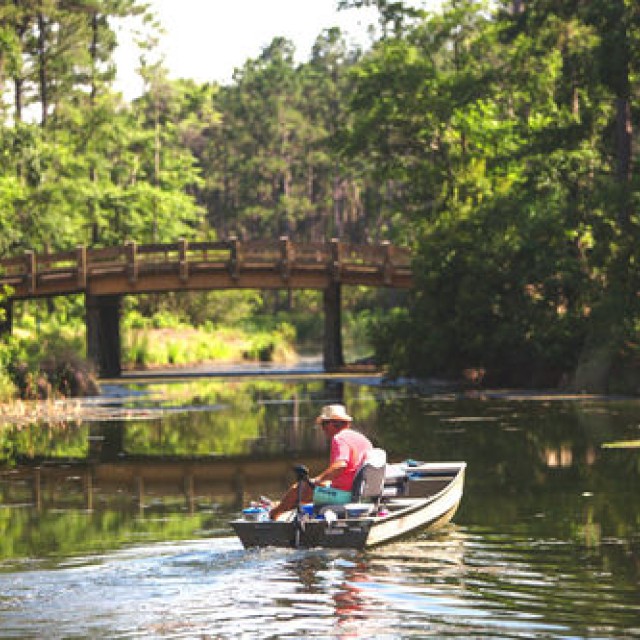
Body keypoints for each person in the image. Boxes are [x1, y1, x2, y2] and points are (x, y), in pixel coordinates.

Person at [269, 404, 373, 521]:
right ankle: (283, 507)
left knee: (299, 489)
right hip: (358, 492)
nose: (323, 429)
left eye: (323, 424)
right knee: (317, 487)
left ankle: (273, 516)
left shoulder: (339, 438)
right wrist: (320, 482)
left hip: (346, 495)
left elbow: (341, 466)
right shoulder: (362, 439)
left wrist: (317, 480)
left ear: (332, 424)